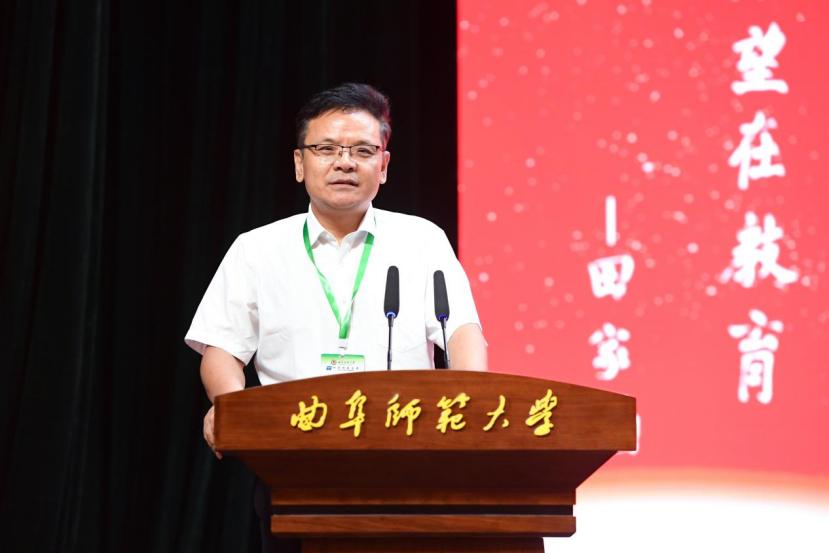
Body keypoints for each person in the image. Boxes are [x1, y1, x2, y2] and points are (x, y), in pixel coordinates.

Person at [184, 82, 487, 551]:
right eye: (326, 149)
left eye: (363, 150)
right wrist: (233, 410)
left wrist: (473, 408)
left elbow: (463, 333)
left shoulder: (422, 240)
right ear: (299, 163)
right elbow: (221, 350)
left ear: (383, 166)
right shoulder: (257, 249)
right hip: (293, 460)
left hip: (408, 457)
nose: (344, 162)